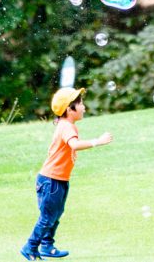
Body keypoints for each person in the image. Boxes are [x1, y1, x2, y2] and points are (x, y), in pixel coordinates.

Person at [21, 88, 113, 260]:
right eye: (81, 104)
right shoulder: (67, 126)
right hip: (51, 180)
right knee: (47, 217)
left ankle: (47, 246)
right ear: (70, 109)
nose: (84, 107)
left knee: (55, 215)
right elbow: (74, 145)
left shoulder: (66, 125)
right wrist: (98, 142)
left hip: (59, 180)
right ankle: (30, 247)